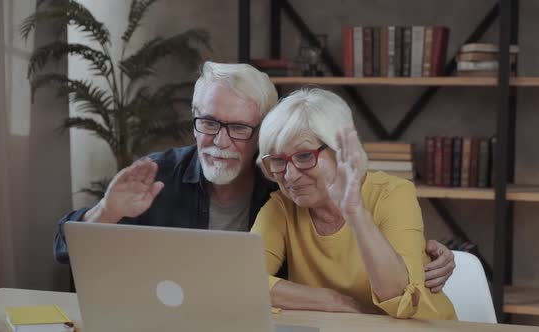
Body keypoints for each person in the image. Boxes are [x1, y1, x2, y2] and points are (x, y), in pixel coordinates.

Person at [53, 62, 455, 294]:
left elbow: (361, 252)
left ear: (264, 130)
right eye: (208, 122)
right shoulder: (158, 175)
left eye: (239, 128)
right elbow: (64, 248)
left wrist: (422, 258)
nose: (219, 141)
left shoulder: (284, 185)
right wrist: (107, 212)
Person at [251, 88, 457, 319]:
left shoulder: (393, 193)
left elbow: (400, 296)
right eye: (278, 160)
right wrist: (331, 300)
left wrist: (356, 213)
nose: (290, 175)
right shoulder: (281, 208)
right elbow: (243, 283)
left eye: (304, 156)